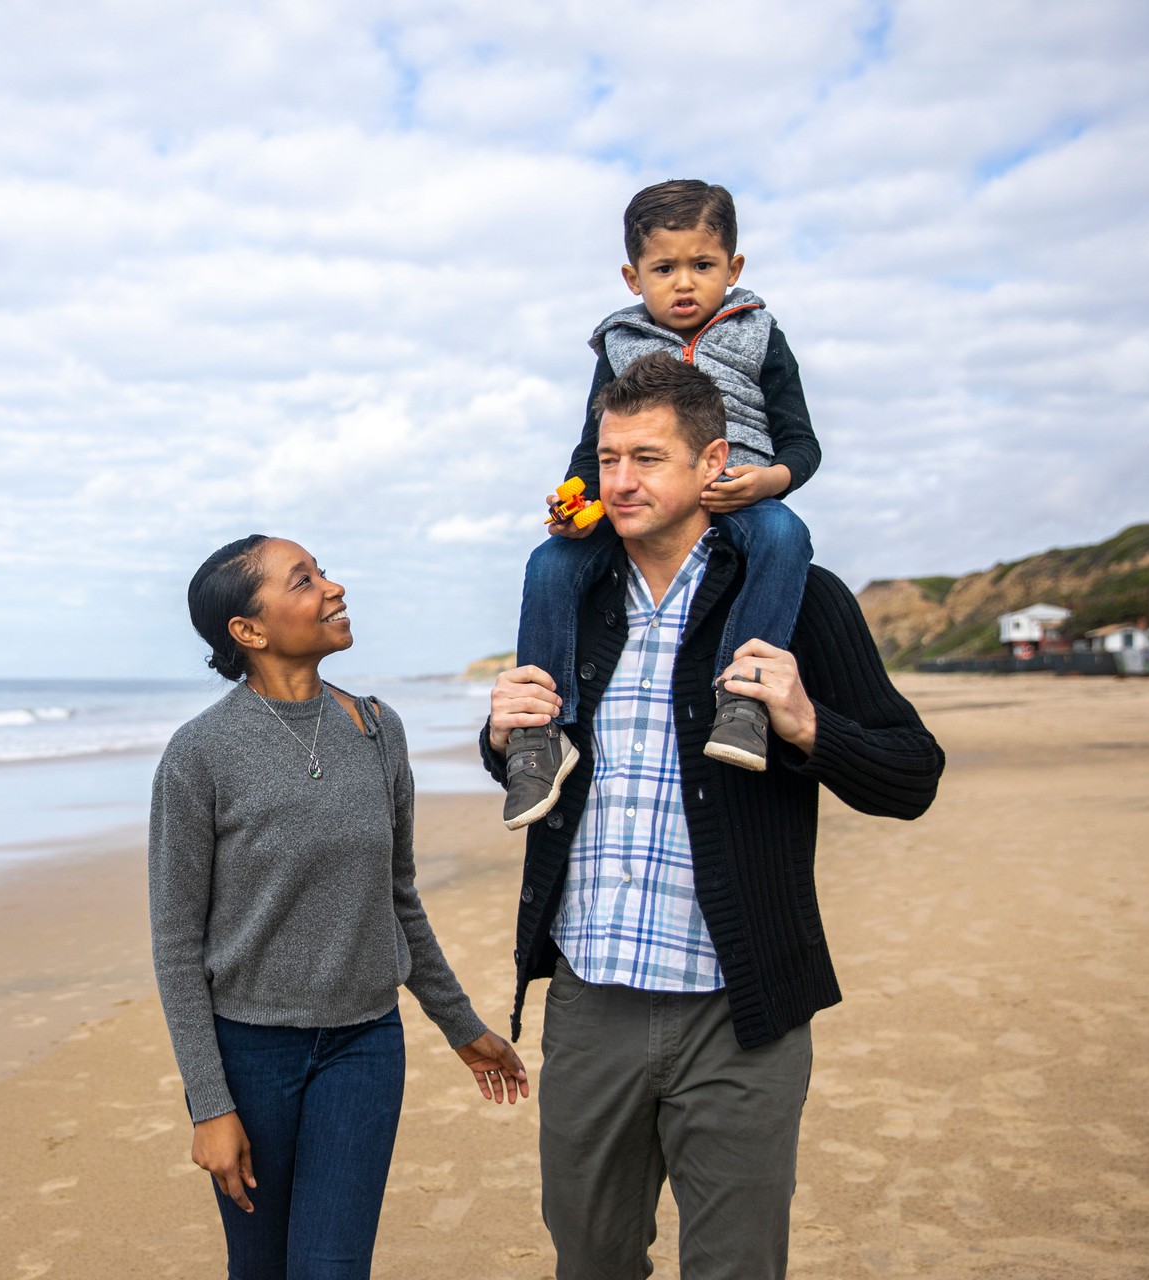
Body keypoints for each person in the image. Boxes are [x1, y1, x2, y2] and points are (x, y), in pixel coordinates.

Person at [481, 354, 943, 1279]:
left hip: (740, 1011)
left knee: (736, 1268)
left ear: (713, 462)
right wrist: (501, 736)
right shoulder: (573, 593)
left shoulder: (798, 597)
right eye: (608, 459)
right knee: (591, 1262)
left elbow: (911, 774)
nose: (619, 482)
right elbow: (530, 768)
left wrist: (807, 725)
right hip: (589, 1001)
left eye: (648, 458)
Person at [150, 534, 530, 1279]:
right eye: (304, 580)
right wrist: (208, 1104)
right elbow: (174, 944)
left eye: (320, 571)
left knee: (332, 1268)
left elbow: (398, 899)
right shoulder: (199, 756)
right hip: (251, 1056)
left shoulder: (377, 729)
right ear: (249, 631)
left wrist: (462, 1026)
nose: (333, 588)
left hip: (364, 1047)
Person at [504, 179, 824, 829]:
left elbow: (802, 440)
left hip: (741, 493)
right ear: (632, 276)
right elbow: (593, 449)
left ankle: (744, 700)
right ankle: (540, 734)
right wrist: (577, 502)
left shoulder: (759, 334)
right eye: (664, 268)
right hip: (635, 510)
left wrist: (768, 482)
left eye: (703, 266)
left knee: (786, 537)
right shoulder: (619, 345)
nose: (685, 283)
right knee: (549, 563)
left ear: (733, 268)